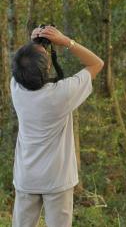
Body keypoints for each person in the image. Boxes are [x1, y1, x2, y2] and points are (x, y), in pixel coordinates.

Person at [11, 26, 104, 227]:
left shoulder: (16, 87)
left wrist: (34, 44)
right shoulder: (61, 94)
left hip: (26, 177)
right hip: (57, 179)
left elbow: (24, 66)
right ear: (47, 69)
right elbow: (97, 63)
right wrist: (65, 41)